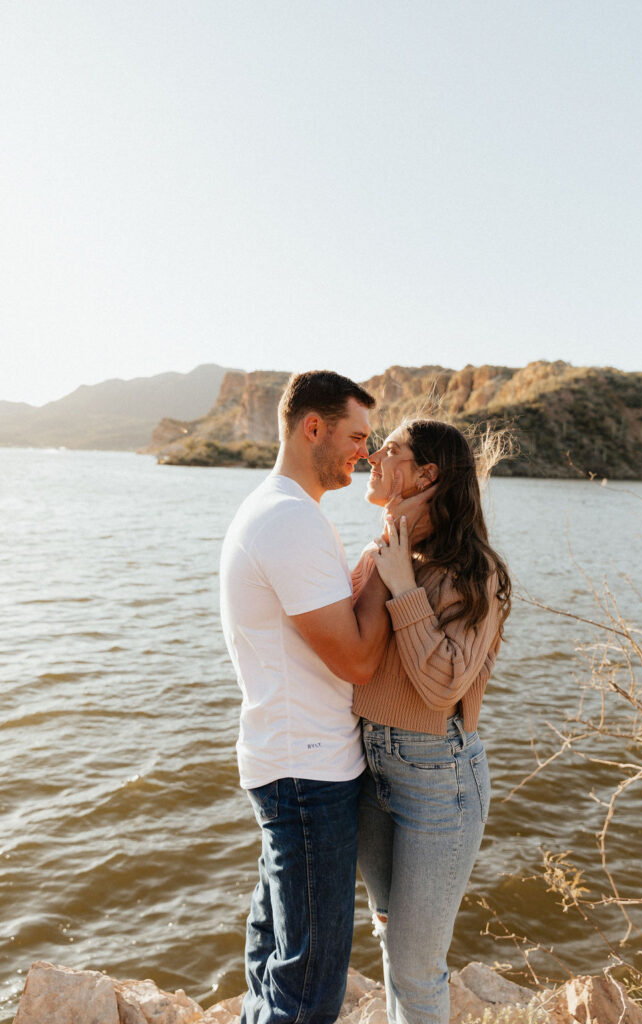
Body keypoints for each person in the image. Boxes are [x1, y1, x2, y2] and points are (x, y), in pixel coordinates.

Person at [219, 370, 391, 1024]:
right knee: (308, 989)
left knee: (276, 959)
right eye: (355, 436)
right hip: (305, 772)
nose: (364, 453)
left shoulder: (280, 510)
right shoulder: (289, 520)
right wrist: (383, 569)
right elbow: (354, 659)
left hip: (288, 759)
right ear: (310, 427)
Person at [351, 419, 511, 1024]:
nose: (371, 456)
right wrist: (389, 553)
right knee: (392, 943)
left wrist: (401, 587)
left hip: (437, 782)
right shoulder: (384, 552)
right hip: (368, 774)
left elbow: (443, 683)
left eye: (389, 450)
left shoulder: (475, 574)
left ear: (428, 476)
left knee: (418, 968)